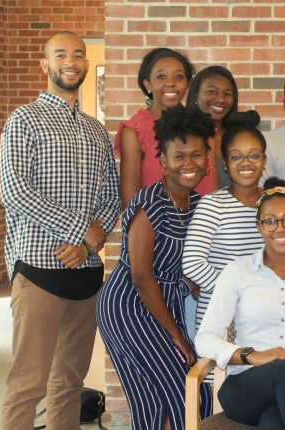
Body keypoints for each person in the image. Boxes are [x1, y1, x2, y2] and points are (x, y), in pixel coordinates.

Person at [0, 31, 121, 429]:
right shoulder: (24, 119)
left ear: (87, 64)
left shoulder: (96, 130)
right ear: (45, 64)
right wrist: (78, 230)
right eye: (61, 54)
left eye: (79, 55)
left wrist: (90, 243)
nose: (71, 61)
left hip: (85, 274)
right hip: (38, 270)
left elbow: (111, 197)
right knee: (27, 384)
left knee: (68, 382)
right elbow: (14, 190)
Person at [97, 105, 215, 429]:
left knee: (159, 403)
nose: (188, 164)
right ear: (163, 161)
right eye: (179, 156)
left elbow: (190, 265)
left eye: (196, 155)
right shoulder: (150, 202)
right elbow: (140, 275)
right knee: (185, 394)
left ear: (207, 161)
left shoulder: (199, 206)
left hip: (165, 303)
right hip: (129, 305)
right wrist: (175, 333)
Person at [196, 184, 285, 430]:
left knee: (273, 423)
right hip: (246, 388)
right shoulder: (236, 272)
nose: (280, 228)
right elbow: (204, 338)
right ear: (259, 226)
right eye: (270, 221)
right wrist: (253, 355)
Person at [183, 112, 266, 334]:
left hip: (265, 316)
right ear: (225, 164)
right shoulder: (212, 205)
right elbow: (192, 263)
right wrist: (236, 292)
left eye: (254, 155)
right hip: (221, 316)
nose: (246, 163)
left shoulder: (275, 203)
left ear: (264, 161)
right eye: (236, 157)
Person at [116, 47, 213, 206]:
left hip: (204, 226)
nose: (171, 83)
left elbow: (212, 190)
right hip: (157, 227)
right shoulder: (135, 131)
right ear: (148, 84)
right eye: (161, 77)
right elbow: (131, 204)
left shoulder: (203, 126)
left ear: (188, 83)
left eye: (179, 77)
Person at [187, 65, 239, 188]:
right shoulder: (182, 137)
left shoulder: (238, 137)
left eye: (227, 94)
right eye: (212, 91)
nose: (221, 99)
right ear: (195, 95)